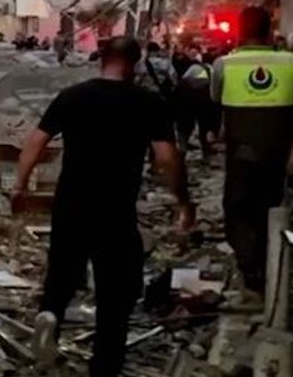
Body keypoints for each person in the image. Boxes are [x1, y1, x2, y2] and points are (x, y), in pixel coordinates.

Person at [15, 36, 192, 376]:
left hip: (70, 206)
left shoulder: (73, 97)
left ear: (101, 60)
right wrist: (183, 201)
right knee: (116, 296)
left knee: (62, 273)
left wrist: (21, 186)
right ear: (136, 64)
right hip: (115, 212)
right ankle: (104, 368)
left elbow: (35, 142)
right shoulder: (148, 103)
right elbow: (167, 159)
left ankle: (50, 313)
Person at [211, 6, 293, 295]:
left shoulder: (224, 65)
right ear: (270, 31)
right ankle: (272, 268)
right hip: (280, 154)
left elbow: (215, 99)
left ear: (239, 32)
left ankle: (252, 270)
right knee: (274, 208)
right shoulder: (290, 63)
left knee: (239, 210)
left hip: (241, 154)